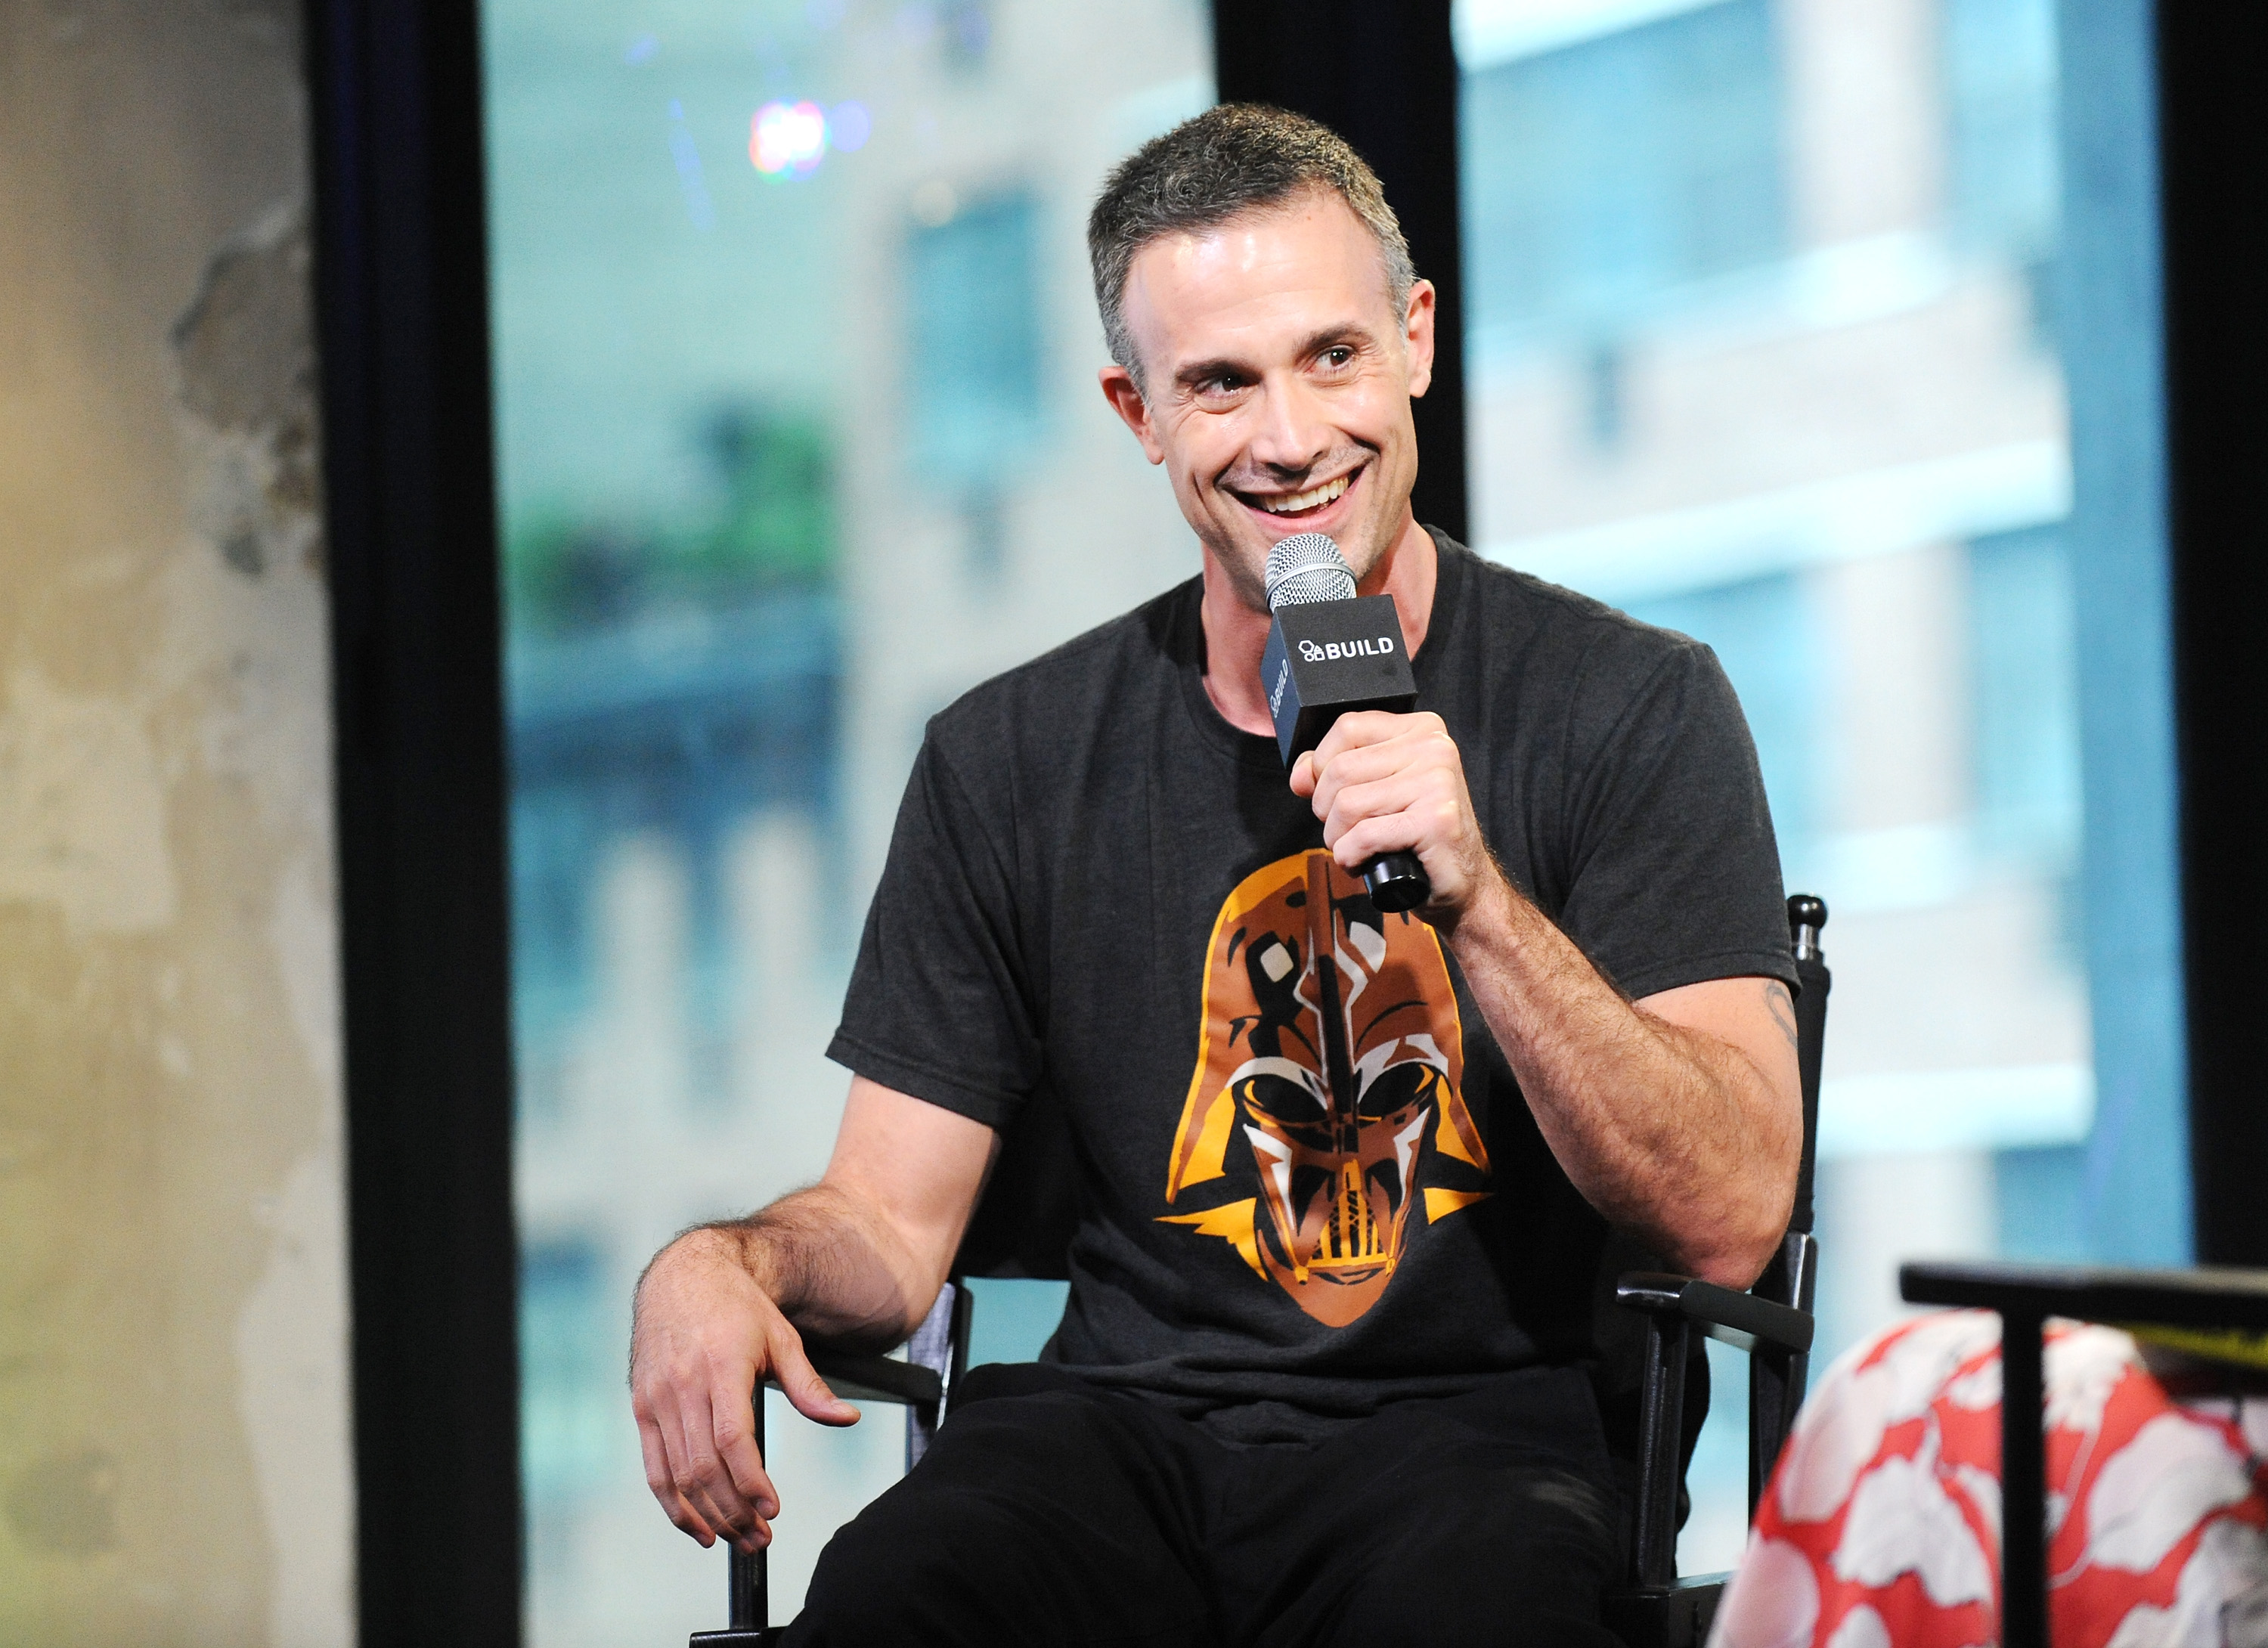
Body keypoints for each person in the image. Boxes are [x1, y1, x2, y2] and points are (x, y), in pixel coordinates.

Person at [631, 104, 1804, 1645]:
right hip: (1116, 1435)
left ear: (1417, 341)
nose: (1292, 438)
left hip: (1480, 1441)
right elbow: (889, 1225)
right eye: (1221, 384)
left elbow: (1728, 1220)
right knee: (898, 1595)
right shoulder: (1009, 760)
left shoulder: (1632, 706)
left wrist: (1483, 904)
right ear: (1138, 413)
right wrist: (723, 1259)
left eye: (1333, 357)